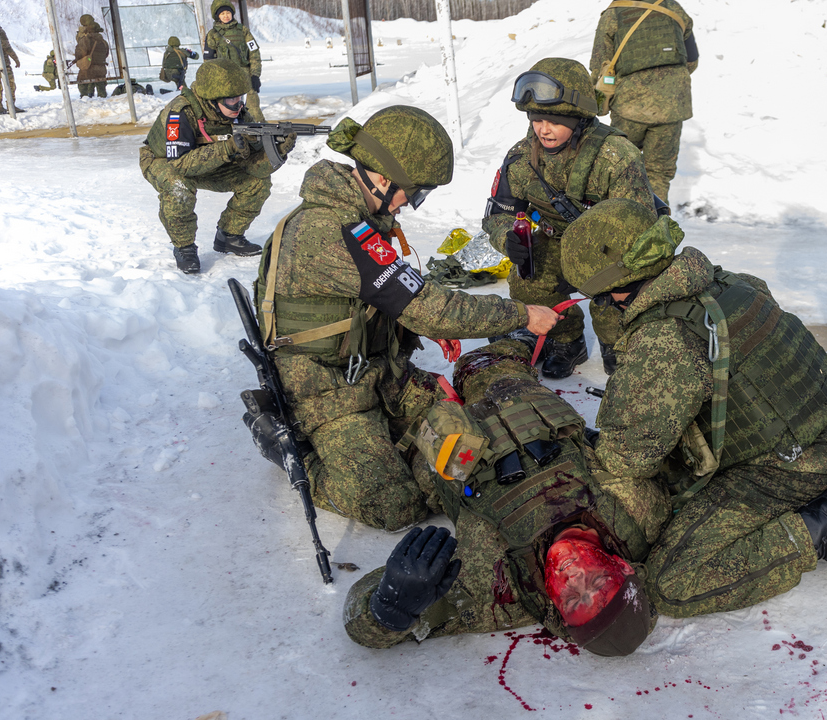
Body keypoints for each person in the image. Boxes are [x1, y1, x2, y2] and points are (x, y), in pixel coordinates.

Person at [562, 199, 827, 620]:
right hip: (821, 429)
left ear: (615, 283)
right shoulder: (726, 282)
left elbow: (624, 457)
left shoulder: (663, 341)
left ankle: (823, 528)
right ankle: (823, 490)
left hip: (784, 469)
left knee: (672, 583)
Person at [242, 107, 560, 532]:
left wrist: (416, 324)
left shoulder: (360, 218)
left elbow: (399, 294)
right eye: (416, 192)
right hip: (326, 388)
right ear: (381, 178)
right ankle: (292, 451)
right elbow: (432, 305)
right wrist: (520, 314)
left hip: (375, 370)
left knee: (470, 452)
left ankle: (387, 443)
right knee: (397, 506)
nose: (412, 203)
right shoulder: (330, 230)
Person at [340, 339, 669, 655]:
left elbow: (365, 623)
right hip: (510, 398)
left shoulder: (502, 588)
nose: (573, 577)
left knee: (365, 380)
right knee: (480, 361)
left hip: (433, 432)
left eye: (571, 600)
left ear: (556, 610)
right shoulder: (638, 509)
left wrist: (391, 608)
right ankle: (521, 338)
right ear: (622, 566)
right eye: (597, 582)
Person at [483, 58, 655, 378]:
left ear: (578, 118)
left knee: (621, 313)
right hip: (557, 239)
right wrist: (509, 238)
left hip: (613, 251)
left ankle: (617, 341)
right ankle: (567, 340)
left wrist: (589, 266)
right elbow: (498, 214)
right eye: (536, 119)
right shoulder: (522, 158)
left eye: (554, 120)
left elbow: (640, 233)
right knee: (528, 274)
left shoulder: (615, 155)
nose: (543, 129)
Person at [139, 60, 273, 274]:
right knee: (179, 187)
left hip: (207, 159)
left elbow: (252, 158)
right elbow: (180, 164)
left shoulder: (237, 112)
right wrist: (227, 148)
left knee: (257, 181)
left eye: (240, 97)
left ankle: (229, 236)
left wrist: (276, 149)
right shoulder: (180, 112)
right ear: (213, 98)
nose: (238, 105)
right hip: (163, 159)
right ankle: (184, 247)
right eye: (231, 99)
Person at [589, 0, 698, 205]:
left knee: (620, 169)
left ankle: (621, 226)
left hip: (629, 106)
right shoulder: (673, 8)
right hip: (672, 105)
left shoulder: (614, 14)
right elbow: (691, 61)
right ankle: (657, 227)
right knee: (659, 174)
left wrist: (600, 101)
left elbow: (599, 66)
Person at [204, 1, 264, 121]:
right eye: (222, 13)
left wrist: (255, 76)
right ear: (217, 16)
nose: (226, 16)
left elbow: (254, 53)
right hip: (224, 76)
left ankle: (257, 128)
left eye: (228, 12)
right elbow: (208, 61)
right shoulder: (213, 35)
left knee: (253, 106)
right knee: (226, 106)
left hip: (245, 74)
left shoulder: (243, 31)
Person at [74, 14, 109, 99]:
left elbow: (79, 54)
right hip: (101, 69)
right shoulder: (103, 42)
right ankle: (103, 102)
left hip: (88, 69)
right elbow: (106, 54)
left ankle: (86, 99)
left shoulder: (85, 40)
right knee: (101, 91)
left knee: (83, 87)